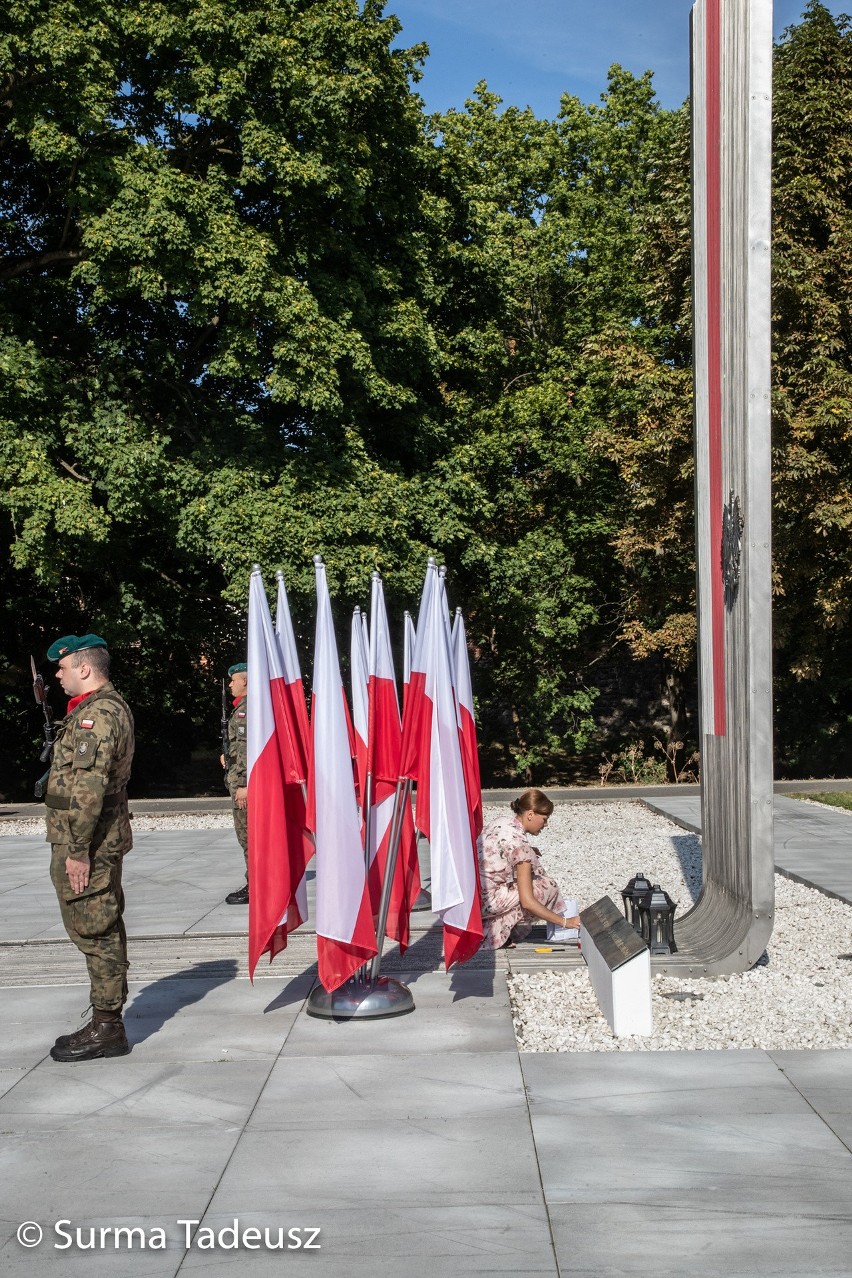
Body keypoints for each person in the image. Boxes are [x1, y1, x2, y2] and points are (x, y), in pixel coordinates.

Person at [44, 634, 135, 1061]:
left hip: (88, 843)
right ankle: (106, 1019)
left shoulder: (95, 717)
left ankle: (107, 1027)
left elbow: (88, 788)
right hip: (93, 839)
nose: (57, 676)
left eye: (62, 668)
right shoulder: (99, 709)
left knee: (94, 930)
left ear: (84, 668)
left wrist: (77, 850)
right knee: (99, 925)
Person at [477, 788, 580, 949]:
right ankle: (496, 933)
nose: (545, 825)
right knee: (547, 886)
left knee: (535, 872)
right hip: (486, 901)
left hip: (472, 894)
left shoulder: (502, 821)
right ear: (530, 814)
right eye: (544, 819)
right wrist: (566, 922)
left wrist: (530, 853)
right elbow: (528, 902)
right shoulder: (521, 847)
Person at [221, 662, 249, 904]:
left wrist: (243, 785)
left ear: (246, 681)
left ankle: (256, 886)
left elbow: (246, 749)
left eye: (234, 680)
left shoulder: (245, 711)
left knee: (249, 837)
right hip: (242, 781)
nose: (230, 684)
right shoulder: (243, 708)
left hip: (245, 786)